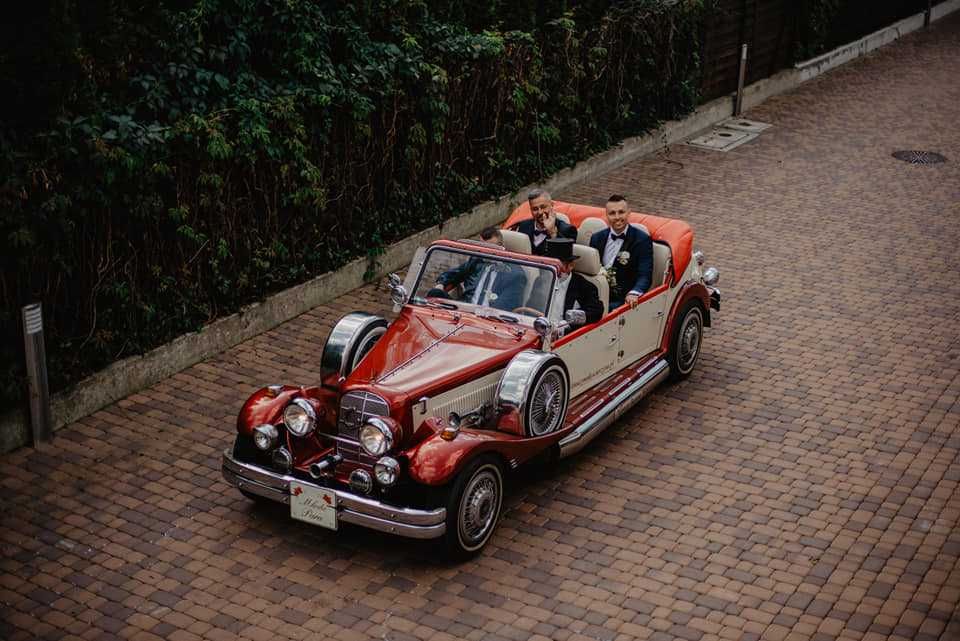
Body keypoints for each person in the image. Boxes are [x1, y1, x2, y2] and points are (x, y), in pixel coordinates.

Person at [589, 194, 653, 311]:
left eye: (621, 212)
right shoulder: (596, 238)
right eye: (612, 213)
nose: (617, 217)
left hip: (621, 299)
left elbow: (645, 275)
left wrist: (634, 293)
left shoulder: (642, 240)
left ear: (629, 212)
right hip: (595, 294)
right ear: (606, 215)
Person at [431, 227, 503, 301]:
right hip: (465, 305)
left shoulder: (510, 270)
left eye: (491, 248)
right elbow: (454, 273)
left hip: (494, 308)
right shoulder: (475, 262)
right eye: (482, 247)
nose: (485, 252)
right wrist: (441, 283)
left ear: (500, 245)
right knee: (435, 293)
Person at [543, 238, 603, 325]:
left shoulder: (585, 286)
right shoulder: (542, 280)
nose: (553, 268)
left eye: (558, 265)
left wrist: (569, 321)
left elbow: (596, 312)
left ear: (571, 265)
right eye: (550, 264)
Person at [512, 189, 577, 255]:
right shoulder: (523, 225)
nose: (540, 212)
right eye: (535, 209)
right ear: (531, 210)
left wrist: (552, 232)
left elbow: (565, 258)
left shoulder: (568, 230)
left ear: (552, 205)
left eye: (543, 207)